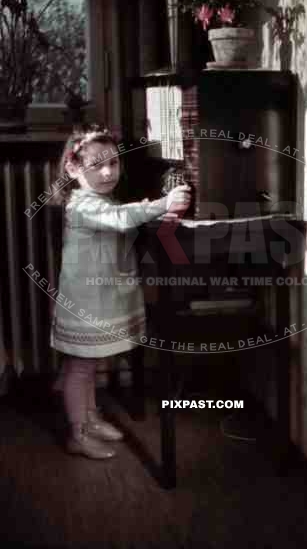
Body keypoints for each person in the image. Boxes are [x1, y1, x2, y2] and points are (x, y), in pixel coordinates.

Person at [50, 125, 191, 460]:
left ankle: (90, 418)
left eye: (114, 163)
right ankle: (78, 432)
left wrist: (149, 208)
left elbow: (119, 218)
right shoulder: (82, 204)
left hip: (99, 296)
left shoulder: (98, 199)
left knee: (89, 364)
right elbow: (117, 218)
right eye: (97, 165)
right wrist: (161, 204)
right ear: (72, 168)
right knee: (80, 368)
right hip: (84, 300)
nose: (108, 171)